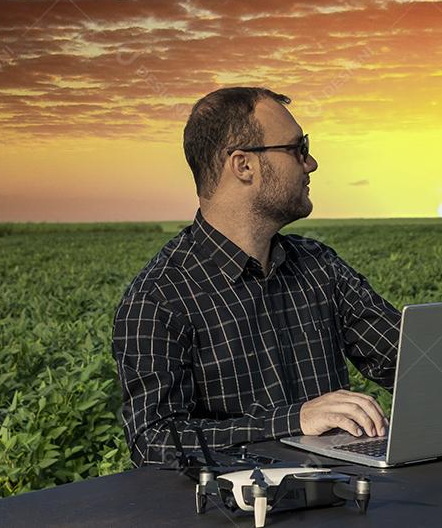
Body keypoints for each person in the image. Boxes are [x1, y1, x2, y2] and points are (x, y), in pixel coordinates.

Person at [112, 86, 400, 466]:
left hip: (343, 498)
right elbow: (155, 441)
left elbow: (411, 363)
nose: (310, 163)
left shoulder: (320, 267)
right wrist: (293, 421)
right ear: (243, 165)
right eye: (298, 148)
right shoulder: (159, 298)